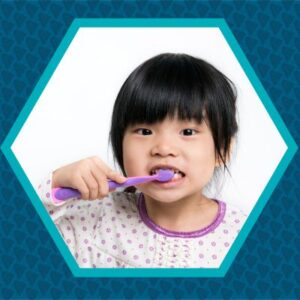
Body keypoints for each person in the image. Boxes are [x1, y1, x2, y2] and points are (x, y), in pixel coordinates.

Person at [38, 53, 247, 268]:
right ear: (120, 144)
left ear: (223, 148)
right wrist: (55, 184)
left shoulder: (241, 235)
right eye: (145, 131)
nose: (164, 148)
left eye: (188, 131)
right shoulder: (91, 220)